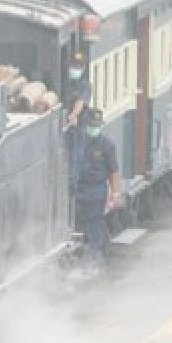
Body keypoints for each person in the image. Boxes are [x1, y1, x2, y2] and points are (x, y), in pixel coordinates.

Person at [74, 108, 121, 269]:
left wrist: (115, 193)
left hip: (96, 190)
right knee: (77, 225)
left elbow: (113, 170)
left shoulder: (107, 145)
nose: (94, 129)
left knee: (94, 225)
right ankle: (79, 258)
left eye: (97, 125)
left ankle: (94, 260)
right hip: (78, 189)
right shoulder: (78, 142)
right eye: (91, 125)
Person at [64, 51, 92, 196]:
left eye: (78, 67)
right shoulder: (65, 82)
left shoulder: (85, 85)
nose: (75, 69)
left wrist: (73, 115)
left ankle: (73, 186)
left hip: (78, 125)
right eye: (73, 66)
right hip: (66, 124)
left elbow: (80, 102)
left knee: (77, 156)